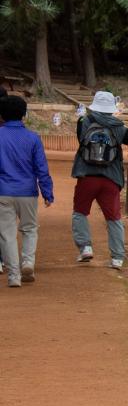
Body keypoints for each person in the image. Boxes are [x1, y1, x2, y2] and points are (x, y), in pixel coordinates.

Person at [72, 91, 128, 269]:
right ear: (111, 107)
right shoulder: (119, 127)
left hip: (86, 176)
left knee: (80, 212)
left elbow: (81, 143)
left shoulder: (83, 122)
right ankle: (117, 257)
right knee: (113, 218)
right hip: (111, 178)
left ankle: (85, 248)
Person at [0, 95, 53, 287]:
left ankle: (13, 276)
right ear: (24, 114)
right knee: (29, 229)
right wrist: (47, 192)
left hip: (3, 191)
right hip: (27, 192)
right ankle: (28, 263)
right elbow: (41, 168)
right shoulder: (33, 138)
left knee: (6, 233)